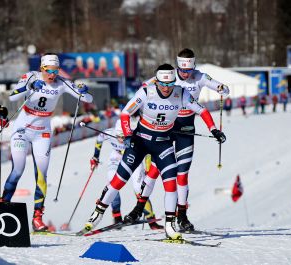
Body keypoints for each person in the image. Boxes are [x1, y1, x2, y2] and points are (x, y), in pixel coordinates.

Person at [79, 64, 226, 239]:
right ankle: (97, 214)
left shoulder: (181, 93)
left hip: (162, 144)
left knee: (171, 182)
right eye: (163, 85)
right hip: (140, 141)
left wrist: (214, 130)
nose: (166, 89)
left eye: (170, 84)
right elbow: (125, 114)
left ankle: (170, 225)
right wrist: (127, 135)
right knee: (119, 179)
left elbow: (202, 111)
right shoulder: (146, 92)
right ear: (156, 82)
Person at [0, 53, 93, 232]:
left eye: (56, 70)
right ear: (42, 69)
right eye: (49, 71)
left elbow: (87, 99)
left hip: (42, 132)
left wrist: (83, 91)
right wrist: (29, 86)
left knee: (42, 175)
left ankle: (37, 217)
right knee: (18, 170)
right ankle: (3, 205)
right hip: (22, 130)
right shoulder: (30, 76)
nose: (53, 74)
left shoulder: (61, 83)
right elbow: (12, 97)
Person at [140, 48, 230, 231]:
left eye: (188, 71)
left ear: (193, 67)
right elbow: (145, 87)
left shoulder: (200, 77)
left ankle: (182, 216)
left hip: (186, 129)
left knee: (182, 174)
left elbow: (223, 89)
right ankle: (139, 208)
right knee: (156, 169)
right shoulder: (169, 76)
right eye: (182, 71)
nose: (185, 74)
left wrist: (222, 89)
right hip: (166, 127)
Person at [90, 119, 163, 229]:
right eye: (119, 136)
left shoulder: (135, 134)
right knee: (112, 183)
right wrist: (95, 156)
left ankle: (151, 221)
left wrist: (148, 167)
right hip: (116, 157)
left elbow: (149, 150)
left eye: (124, 136)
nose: (121, 139)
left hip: (133, 158)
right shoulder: (109, 132)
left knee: (139, 188)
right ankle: (117, 217)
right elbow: (99, 139)